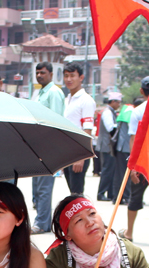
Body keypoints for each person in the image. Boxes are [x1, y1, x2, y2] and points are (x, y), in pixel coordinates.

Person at [123, 76, 149, 246]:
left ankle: (130, 232)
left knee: (135, 198)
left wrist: (133, 165)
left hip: (142, 162)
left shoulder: (137, 111)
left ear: (141, 91)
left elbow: (134, 140)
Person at [30, 62, 65, 234]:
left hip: (47, 146)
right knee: (37, 188)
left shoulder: (54, 93)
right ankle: (41, 219)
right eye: (37, 72)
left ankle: (41, 223)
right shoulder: (39, 93)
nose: (39, 75)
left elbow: (56, 121)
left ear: (51, 74)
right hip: (36, 145)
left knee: (44, 188)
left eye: (42, 73)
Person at [62, 63, 96, 195]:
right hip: (67, 152)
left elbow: (87, 130)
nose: (69, 79)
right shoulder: (68, 99)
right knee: (72, 192)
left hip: (78, 152)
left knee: (77, 193)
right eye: (66, 76)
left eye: (72, 76)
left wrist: (81, 157)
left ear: (81, 77)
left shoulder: (86, 100)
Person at [95, 92, 122, 202]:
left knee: (111, 170)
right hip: (106, 146)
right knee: (107, 170)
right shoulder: (107, 113)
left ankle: (110, 193)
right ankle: (101, 193)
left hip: (108, 146)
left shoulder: (111, 112)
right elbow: (110, 128)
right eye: (118, 102)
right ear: (113, 101)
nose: (119, 105)